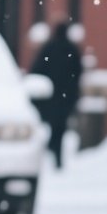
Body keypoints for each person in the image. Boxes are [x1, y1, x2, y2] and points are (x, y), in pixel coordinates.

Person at [29, 22, 84, 169]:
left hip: (50, 95)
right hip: (65, 96)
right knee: (60, 127)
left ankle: (52, 150)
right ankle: (56, 155)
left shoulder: (49, 48)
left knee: (53, 126)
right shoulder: (72, 49)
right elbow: (78, 73)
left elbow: (37, 69)